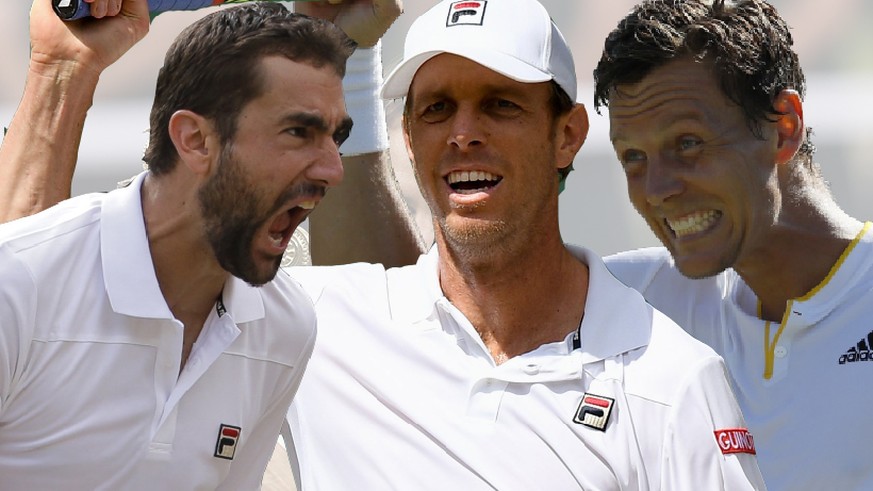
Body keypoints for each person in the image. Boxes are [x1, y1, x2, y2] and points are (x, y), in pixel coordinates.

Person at [1, 0, 767, 489]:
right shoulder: (304, 323)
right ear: (406, 136)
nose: (462, 131)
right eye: (435, 108)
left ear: (566, 134)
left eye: (498, 104)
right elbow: (26, 289)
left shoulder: (674, 380)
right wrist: (62, 71)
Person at [0, 0, 402, 488]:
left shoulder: (286, 327)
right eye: (299, 132)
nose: (333, 171)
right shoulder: (17, 285)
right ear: (194, 139)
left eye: (335, 139)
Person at [590, 1, 873, 489]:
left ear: (783, 126)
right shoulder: (634, 299)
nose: (656, 188)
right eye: (633, 156)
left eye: (688, 143)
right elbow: (435, 306)